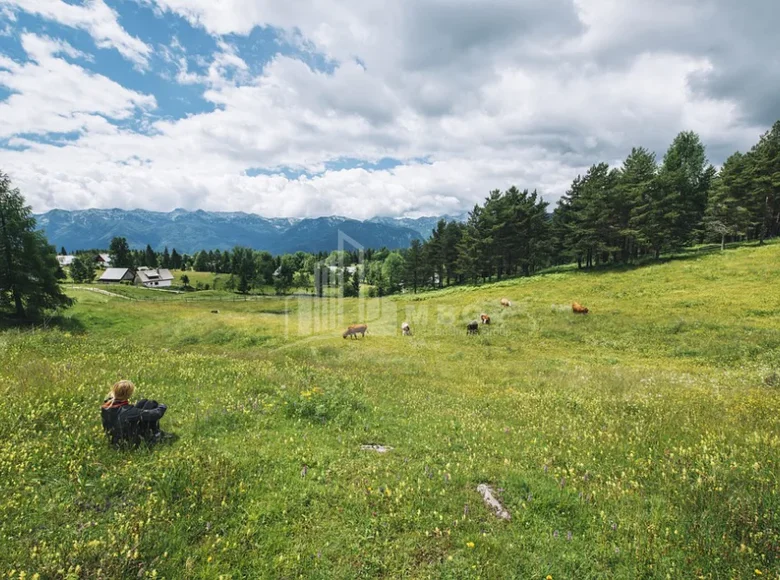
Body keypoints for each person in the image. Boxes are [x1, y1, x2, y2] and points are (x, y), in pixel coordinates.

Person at [100, 380, 168, 447]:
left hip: (114, 439)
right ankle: (155, 435)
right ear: (128, 394)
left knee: (144, 402)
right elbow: (155, 414)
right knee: (152, 404)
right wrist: (162, 406)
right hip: (129, 442)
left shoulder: (107, 406)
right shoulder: (128, 411)